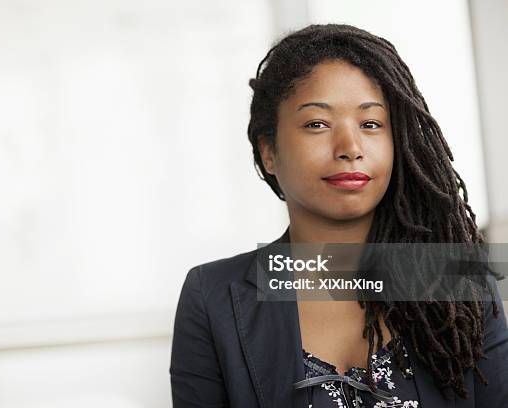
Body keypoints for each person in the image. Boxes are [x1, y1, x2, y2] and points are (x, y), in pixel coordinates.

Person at [169, 24, 508, 407]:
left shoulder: (458, 279)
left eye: (371, 124)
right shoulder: (211, 296)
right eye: (317, 124)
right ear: (268, 150)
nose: (350, 147)